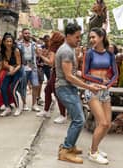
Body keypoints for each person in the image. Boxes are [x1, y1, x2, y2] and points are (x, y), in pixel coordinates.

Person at [55, 23, 102, 164]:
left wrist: (92, 80)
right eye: (77, 37)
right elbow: (69, 76)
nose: (79, 40)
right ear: (68, 36)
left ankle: (68, 146)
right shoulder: (66, 51)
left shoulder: (69, 49)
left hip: (69, 88)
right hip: (65, 88)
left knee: (77, 118)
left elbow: (75, 73)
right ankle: (65, 151)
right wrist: (88, 86)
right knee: (79, 120)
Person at [82, 27, 118, 164]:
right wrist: (99, 81)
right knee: (102, 123)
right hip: (92, 90)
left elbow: (115, 74)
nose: (91, 40)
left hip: (105, 91)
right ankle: (93, 152)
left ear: (101, 37)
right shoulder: (89, 53)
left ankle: (95, 148)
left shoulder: (110, 54)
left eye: (93, 37)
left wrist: (107, 85)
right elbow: (85, 74)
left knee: (107, 124)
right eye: (90, 38)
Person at [36, 31, 67, 124]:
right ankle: (46, 111)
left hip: (57, 72)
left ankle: (63, 115)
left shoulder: (55, 48)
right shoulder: (62, 47)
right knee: (47, 90)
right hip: (57, 71)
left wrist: (40, 55)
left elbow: (50, 62)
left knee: (57, 93)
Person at [17, 28, 40, 112]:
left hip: (33, 67)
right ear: (22, 34)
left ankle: (34, 105)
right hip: (23, 67)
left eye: (28, 33)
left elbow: (38, 54)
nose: (27, 35)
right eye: (25, 33)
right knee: (23, 86)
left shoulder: (34, 44)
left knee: (35, 85)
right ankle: (24, 104)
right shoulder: (18, 44)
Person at [0, 33, 22, 117]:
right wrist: (9, 67)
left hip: (17, 71)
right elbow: (4, 63)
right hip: (10, 71)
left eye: (10, 41)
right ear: (4, 42)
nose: (9, 43)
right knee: (3, 88)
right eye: (7, 41)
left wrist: (13, 71)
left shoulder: (16, 50)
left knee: (12, 89)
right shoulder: (3, 51)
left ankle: (18, 108)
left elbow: (19, 64)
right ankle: (7, 107)